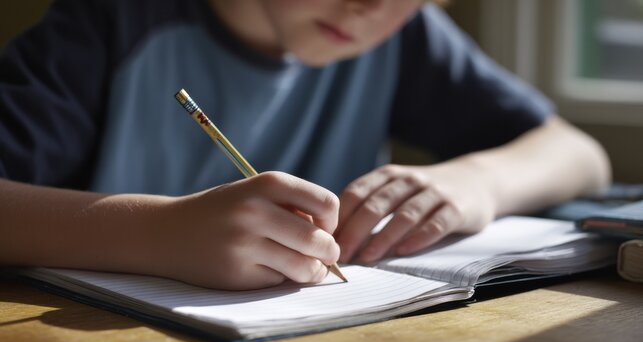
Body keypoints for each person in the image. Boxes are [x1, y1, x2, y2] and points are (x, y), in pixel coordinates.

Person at [0, 0, 610, 290]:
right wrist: (155, 233)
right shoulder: (113, 22)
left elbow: (580, 154)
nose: (373, 5)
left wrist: (479, 182)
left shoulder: (400, 37)